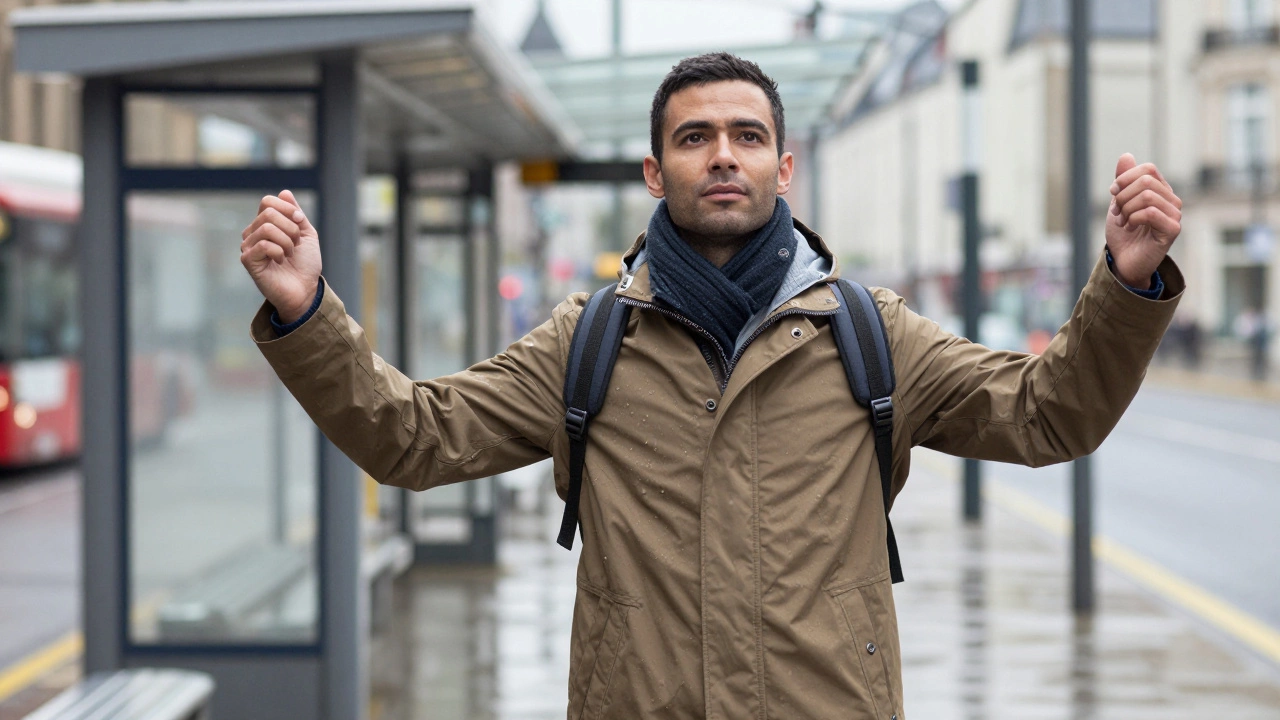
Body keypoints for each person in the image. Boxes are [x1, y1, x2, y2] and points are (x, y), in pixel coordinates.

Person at [241, 53, 1183, 720]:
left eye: (746, 134)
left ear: (784, 163)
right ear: (658, 170)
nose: (722, 154)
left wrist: (1127, 282)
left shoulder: (872, 331)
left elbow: (1049, 413)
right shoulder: (592, 337)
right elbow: (415, 437)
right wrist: (307, 313)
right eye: (695, 137)